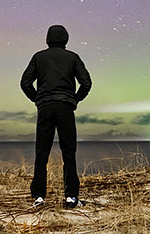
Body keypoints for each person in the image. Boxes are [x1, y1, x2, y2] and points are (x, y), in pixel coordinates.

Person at [20, 24, 92, 209]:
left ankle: (38, 196)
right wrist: (75, 99)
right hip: (65, 107)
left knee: (41, 152)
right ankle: (71, 197)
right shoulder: (73, 58)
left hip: (45, 107)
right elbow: (86, 83)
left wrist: (38, 98)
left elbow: (25, 82)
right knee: (69, 152)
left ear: (48, 38)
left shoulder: (38, 57)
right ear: (66, 39)